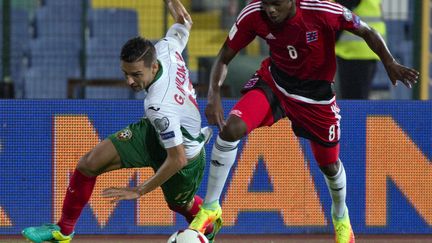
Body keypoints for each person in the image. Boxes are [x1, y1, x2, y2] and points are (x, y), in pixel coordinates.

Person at [189, 0, 418, 243]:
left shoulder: (323, 11)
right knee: (231, 129)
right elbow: (224, 55)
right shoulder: (254, 13)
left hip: (316, 99)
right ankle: (211, 207)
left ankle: (341, 217)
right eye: (267, 4)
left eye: (276, 4)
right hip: (275, 85)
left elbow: (367, 31)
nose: (270, 10)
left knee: (329, 167)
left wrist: (389, 62)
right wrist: (213, 95)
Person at [21, 0, 221, 242]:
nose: (129, 81)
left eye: (136, 75)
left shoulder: (158, 104)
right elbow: (184, 21)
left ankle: (207, 225)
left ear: (153, 66)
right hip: (155, 133)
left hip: (186, 157)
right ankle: (63, 231)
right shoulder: (167, 47)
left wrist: (140, 189)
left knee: (181, 204)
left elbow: (176, 158)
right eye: (125, 73)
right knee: (88, 164)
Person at [335, 0, 386, 99]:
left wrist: (327, 40)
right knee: (358, 101)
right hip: (364, 48)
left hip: (354, 52)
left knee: (353, 103)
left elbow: (341, 14)